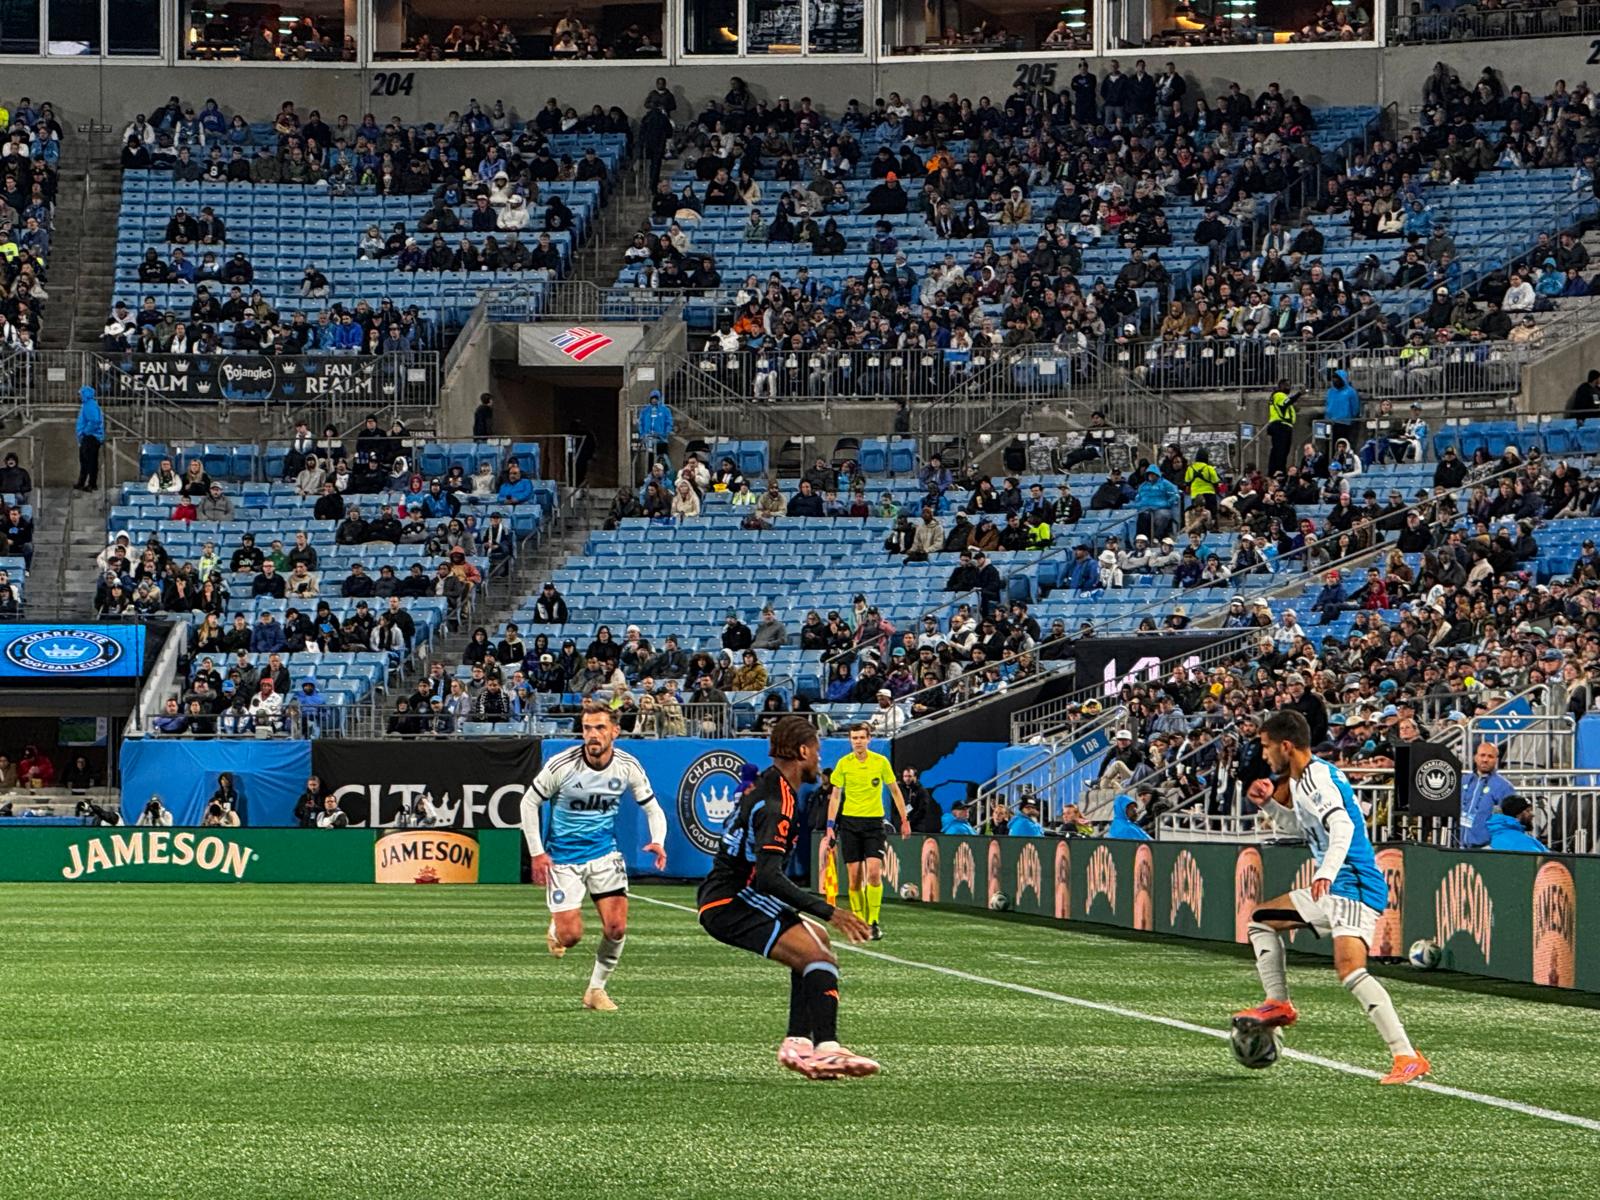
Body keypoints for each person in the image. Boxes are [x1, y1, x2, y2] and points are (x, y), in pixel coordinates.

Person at [1235, 709, 1429, 1086]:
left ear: (1286, 746)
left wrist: (1324, 872)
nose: (1264, 755)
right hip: (1334, 884)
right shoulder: (1303, 780)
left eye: (1266, 747)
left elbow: (1341, 826)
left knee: (1351, 970)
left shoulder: (1318, 780)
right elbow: (1305, 827)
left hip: (1352, 884)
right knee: (1261, 920)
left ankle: (1406, 1056)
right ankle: (1279, 1003)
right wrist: (1271, 806)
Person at [697, 714, 877, 1080]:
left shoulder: (772, 786)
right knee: (819, 954)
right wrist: (830, 911)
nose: (819, 760)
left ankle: (798, 1042)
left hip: (732, 893)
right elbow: (767, 877)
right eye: (817, 751)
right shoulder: (779, 801)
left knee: (818, 945)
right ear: (802, 751)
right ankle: (827, 1047)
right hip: (732, 900)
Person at [519, 702, 668, 1012]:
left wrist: (658, 841)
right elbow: (528, 802)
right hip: (564, 860)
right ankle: (557, 928)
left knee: (617, 928)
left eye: (600, 728)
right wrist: (537, 853)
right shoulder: (562, 765)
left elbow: (652, 807)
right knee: (570, 937)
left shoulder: (627, 765)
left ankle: (595, 990)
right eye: (587, 728)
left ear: (615, 731)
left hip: (604, 855)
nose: (593, 735)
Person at [820, 722, 910, 941]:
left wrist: (904, 820)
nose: (858, 741)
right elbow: (835, 796)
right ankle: (860, 923)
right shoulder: (844, 764)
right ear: (850, 740)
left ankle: (873, 922)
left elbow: (895, 791)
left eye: (861, 737)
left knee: (874, 873)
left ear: (869, 739)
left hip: (873, 824)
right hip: (850, 824)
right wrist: (830, 825)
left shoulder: (880, 762)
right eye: (854, 738)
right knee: (854, 879)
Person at [1459, 741, 1514, 850]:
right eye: (1482, 755)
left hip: (1486, 849)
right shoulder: (1463, 781)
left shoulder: (1504, 787)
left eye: (1490, 756)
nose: (1485, 759)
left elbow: (1510, 821)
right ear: (1475, 757)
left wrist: (1495, 845)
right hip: (1457, 846)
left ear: (1496, 760)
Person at [1266, 380, 1301, 478]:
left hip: (1284, 426)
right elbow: (1285, 403)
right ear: (1280, 386)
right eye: (1286, 385)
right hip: (1280, 425)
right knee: (1280, 450)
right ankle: (1278, 471)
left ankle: (1277, 470)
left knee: (1282, 450)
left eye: (1289, 385)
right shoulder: (1279, 395)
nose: (1288, 388)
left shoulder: (1281, 397)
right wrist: (1299, 394)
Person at [75, 385, 105, 491]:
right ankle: (82, 483)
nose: (78, 396)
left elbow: (94, 421)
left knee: (90, 462)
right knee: (85, 461)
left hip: (91, 438)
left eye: (80, 394)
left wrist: (85, 432)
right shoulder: (87, 405)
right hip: (89, 437)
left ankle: (91, 484)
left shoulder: (90, 405)